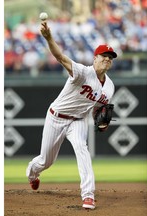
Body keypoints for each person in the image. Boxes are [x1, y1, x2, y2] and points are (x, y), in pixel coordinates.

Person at [26, 20, 117, 210]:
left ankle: (88, 195)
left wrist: (101, 118)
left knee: (82, 151)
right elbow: (60, 56)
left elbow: (99, 108)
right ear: (95, 58)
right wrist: (49, 38)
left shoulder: (109, 87)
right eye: (104, 56)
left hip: (79, 120)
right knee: (45, 161)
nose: (107, 59)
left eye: (110, 57)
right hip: (56, 117)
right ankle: (32, 174)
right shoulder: (82, 73)